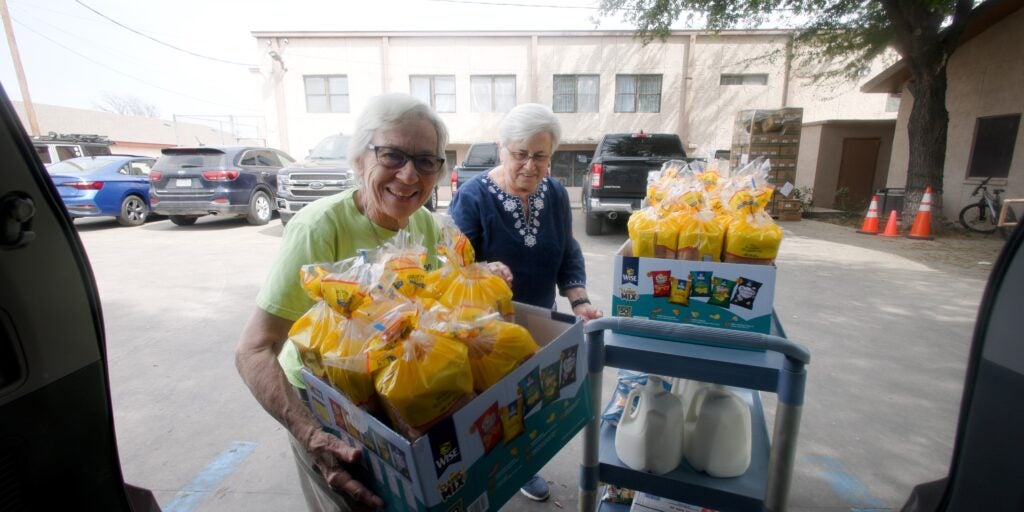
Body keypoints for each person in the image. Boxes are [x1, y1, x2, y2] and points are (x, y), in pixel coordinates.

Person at [234, 93, 451, 511]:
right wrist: (311, 434)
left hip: (393, 393)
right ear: (358, 160)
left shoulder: (424, 224)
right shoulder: (318, 227)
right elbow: (253, 349)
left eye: (426, 160)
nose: (409, 176)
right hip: (326, 410)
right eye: (392, 155)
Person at [448, 102, 603, 501]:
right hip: (485, 329)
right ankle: (490, 473)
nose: (530, 166)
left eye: (541, 156)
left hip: (538, 316)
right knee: (492, 409)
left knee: (534, 399)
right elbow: (450, 266)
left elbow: (566, 248)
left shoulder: (553, 194)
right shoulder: (472, 197)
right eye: (520, 154)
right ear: (502, 149)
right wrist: (483, 270)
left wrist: (579, 299)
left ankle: (524, 464)